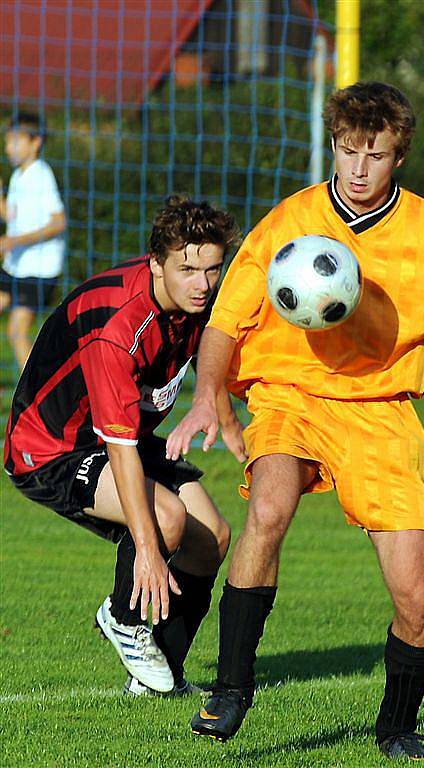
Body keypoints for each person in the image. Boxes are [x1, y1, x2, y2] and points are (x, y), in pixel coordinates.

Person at [167, 82, 424, 758]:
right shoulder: (289, 223)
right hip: (289, 393)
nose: (357, 169)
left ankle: (396, 726)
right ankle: (232, 685)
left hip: (382, 413)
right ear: (333, 145)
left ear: (399, 158)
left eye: (375, 155)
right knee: (268, 505)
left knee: (416, 593)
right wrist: (209, 393)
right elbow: (223, 322)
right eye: (346, 151)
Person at [4, 195, 247, 696]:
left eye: (212, 269)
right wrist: (149, 553)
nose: (202, 284)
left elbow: (209, 352)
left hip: (117, 436)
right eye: (188, 269)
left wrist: (224, 416)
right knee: (166, 521)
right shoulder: (118, 325)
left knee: (212, 538)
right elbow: (118, 449)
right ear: (156, 263)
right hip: (50, 449)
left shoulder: (194, 300)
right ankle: (122, 617)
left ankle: (158, 681)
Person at [0, 111, 66, 369]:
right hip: (16, 265)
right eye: (7, 141)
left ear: (35, 142)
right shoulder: (19, 176)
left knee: (16, 331)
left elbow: (58, 222)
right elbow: (13, 217)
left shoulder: (41, 174)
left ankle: (35, 393)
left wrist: (14, 242)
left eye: (15, 141)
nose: (8, 148)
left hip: (39, 269)